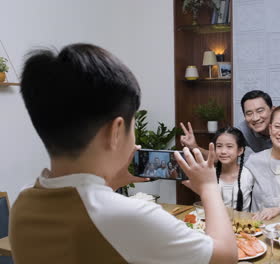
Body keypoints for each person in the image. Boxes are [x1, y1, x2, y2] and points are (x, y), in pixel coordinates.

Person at [10, 43, 237, 264]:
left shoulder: (23, 203)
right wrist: (208, 187)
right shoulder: (129, 216)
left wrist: (109, 184)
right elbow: (225, 256)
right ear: (116, 131)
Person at [213, 127, 254, 211]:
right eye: (219, 146)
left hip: (243, 222)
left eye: (229, 146)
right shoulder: (210, 174)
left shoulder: (248, 175)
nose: (223, 151)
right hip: (216, 222)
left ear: (240, 150)